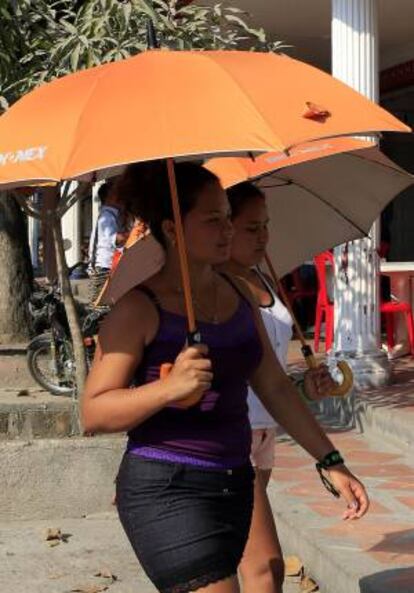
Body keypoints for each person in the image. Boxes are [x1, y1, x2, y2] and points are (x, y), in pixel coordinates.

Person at [81, 161, 369, 593]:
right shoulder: (138, 309)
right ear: (173, 228)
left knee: (265, 574)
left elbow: (272, 385)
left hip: (235, 481)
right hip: (168, 486)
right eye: (213, 220)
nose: (227, 231)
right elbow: (92, 412)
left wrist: (330, 460)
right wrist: (168, 389)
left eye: (227, 219)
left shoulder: (238, 295)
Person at [222, 181, 334, 593]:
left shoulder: (264, 279)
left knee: (241, 553)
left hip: (266, 429)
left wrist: (305, 386)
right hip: (231, 433)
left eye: (265, 226)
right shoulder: (213, 288)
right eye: (251, 228)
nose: (263, 236)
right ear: (224, 228)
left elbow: (269, 375)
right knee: (265, 566)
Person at [88, 180, 132, 305]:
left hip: (108, 267)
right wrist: (136, 233)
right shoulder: (107, 216)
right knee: (101, 308)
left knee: (104, 306)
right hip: (103, 268)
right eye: (117, 193)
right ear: (109, 197)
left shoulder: (114, 215)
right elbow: (117, 239)